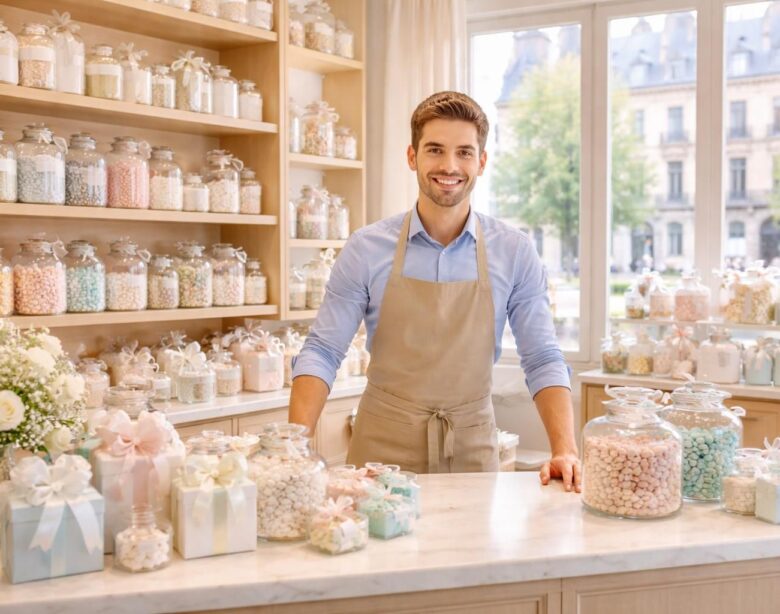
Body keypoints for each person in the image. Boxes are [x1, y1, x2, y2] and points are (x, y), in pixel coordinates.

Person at [289, 91, 581, 492]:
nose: (449, 166)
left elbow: (543, 356)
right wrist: (292, 445)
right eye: (435, 150)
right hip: (380, 452)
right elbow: (322, 351)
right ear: (412, 157)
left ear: (481, 161)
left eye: (464, 152)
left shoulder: (514, 251)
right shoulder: (366, 248)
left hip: (472, 450)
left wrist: (564, 448)